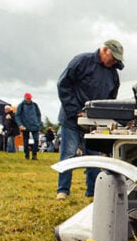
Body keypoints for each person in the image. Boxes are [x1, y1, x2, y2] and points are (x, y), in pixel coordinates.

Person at [55, 39, 124, 200]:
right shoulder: (82, 61)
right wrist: (75, 110)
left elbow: (111, 99)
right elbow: (63, 85)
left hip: (94, 123)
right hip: (71, 119)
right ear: (105, 50)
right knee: (68, 155)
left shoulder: (113, 74)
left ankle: (93, 192)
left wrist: (103, 116)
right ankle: (63, 190)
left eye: (117, 60)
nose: (114, 61)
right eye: (113, 57)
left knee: (93, 157)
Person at [17, 92, 43, 160]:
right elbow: (17, 116)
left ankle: (34, 155)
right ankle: (27, 155)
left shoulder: (35, 105)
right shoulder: (21, 105)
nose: (29, 99)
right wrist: (20, 125)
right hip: (25, 126)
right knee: (25, 141)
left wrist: (38, 123)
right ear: (25, 98)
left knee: (36, 140)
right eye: (28, 98)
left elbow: (39, 115)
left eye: (30, 98)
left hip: (35, 126)